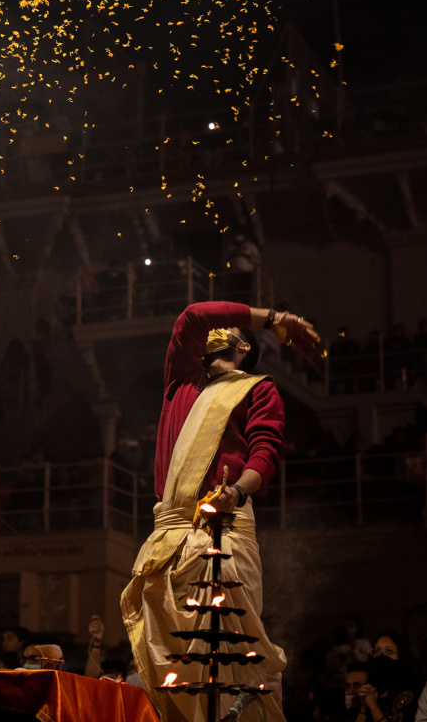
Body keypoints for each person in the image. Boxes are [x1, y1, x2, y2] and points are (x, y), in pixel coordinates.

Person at [121, 301, 320, 722]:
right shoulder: (180, 382)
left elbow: (266, 449)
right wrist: (274, 318)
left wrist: (238, 492)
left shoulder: (257, 389)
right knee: (171, 661)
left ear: (243, 347)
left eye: (227, 329)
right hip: (168, 536)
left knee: (232, 654)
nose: (214, 330)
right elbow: (193, 315)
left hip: (224, 526)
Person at [356, 632, 416, 722]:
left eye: (390, 651)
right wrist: (364, 708)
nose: (382, 656)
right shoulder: (373, 690)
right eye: (377, 651)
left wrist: (373, 706)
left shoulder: (410, 693)